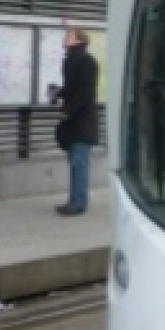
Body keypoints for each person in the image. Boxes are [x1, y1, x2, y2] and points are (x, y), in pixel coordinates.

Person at [53, 27, 99, 216]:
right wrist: (59, 92)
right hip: (72, 121)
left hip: (82, 121)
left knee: (79, 163)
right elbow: (72, 88)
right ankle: (73, 200)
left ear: (79, 40)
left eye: (69, 36)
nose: (65, 38)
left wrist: (68, 110)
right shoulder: (70, 61)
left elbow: (85, 92)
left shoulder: (87, 61)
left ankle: (79, 202)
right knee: (74, 163)